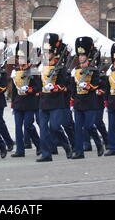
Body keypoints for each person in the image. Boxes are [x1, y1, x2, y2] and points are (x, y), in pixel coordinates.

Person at [36, 33, 73, 162]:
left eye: (48, 52)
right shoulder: (41, 67)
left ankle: (66, 145)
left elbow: (65, 86)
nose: (46, 55)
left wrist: (55, 87)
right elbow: (37, 84)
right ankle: (46, 153)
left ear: (54, 53)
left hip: (56, 101)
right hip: (44, 101)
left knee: (55, 127)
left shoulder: (60, 68)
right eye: (45, 52)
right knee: (43, 128)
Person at [70, 37, 104, 159]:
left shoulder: (93, 70)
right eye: (79, 55)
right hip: (79, 101)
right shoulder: (76, 70)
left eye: (83, 55)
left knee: (89, 126)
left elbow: (96, 84)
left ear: (87, 56)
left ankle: (99, 143)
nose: (80, 57)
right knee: (78, 128)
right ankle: (79, 151)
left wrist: (88, 86)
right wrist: (72, 101)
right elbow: (72, 87)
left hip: (90, 101)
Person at [10, 40, 41, 157]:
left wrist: (29, 90)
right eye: (19, 57)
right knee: (18, 127)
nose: (20, 59)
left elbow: (38, 87)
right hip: (18, 102)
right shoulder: (16, 71)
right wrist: (12, 104)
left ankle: (39, 144)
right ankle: (20, 150)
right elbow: (14, 90)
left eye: (22, 57)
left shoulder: (33, 70)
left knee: (28, 125)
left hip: (30, 102)